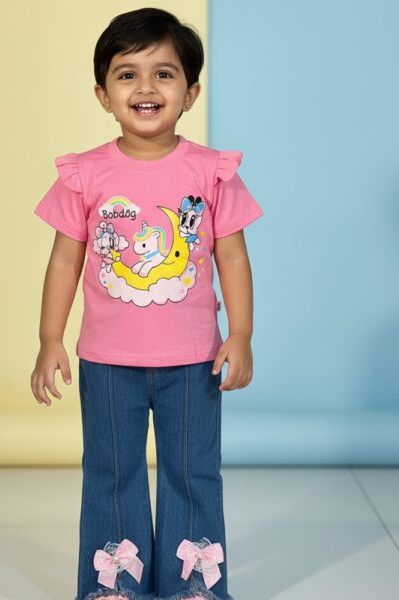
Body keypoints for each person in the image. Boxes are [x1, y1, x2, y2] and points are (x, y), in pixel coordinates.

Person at [30, 7, 263, 600]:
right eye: (127, 74)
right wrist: (50, 339)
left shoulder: (212, 173)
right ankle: (116, 584)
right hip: (108, 362)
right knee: (112, 476)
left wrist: (240, 334)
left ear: (191, 92)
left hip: (194, 361)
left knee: (194, 473)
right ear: (103, 95)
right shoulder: (84, 175)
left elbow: (233, 258)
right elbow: (64, 262)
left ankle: (194, 583)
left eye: (164, 73)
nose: (146, 87)